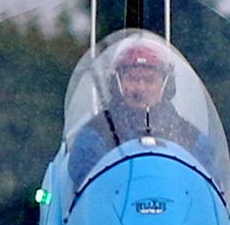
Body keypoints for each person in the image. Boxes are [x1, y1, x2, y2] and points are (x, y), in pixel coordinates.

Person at [67, 40, 211, 187]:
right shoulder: (95, 135)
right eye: (132, 79)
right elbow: (88, 192)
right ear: (116, 83)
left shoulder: (192, 139)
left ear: (166, 85)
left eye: (149, 80)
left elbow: (205, 192)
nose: (141, 89)